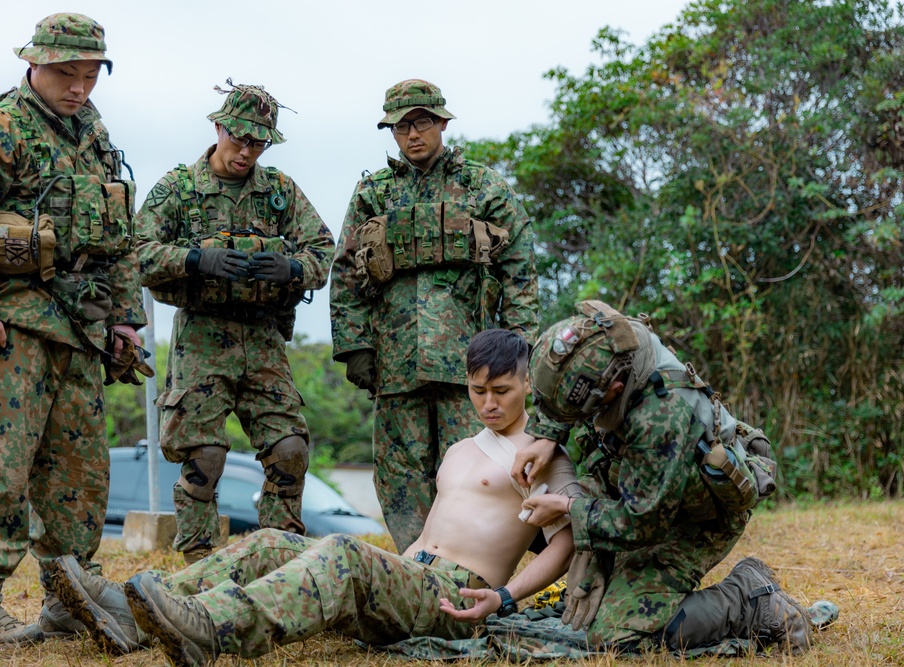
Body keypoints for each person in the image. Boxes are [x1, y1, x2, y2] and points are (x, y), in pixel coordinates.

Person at [46, 329, 580, 665]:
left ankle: (211, 626)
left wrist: (505, 598)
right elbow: (436, 527)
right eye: (477, 390)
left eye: (501, 392)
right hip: (413, 576)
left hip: (459, 596)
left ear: (528, 383)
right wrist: (389, 570)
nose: (488, 403)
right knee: (271, 542)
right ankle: (127, 612)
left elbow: (565, 545)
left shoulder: (540, 456)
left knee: (343, 550)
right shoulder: (462, 448)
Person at [0, 13, 146, 648]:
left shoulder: (96, 137)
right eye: (66, 73)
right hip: (12, 324)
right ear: (35, 64)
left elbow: (119, 235)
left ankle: (68, 597)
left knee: (78, 476)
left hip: (79, 330)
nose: (79, 87)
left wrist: (125, 317)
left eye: (89, 75)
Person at [328, 79, 563, 551]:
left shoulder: (484, 187)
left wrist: (518, 349)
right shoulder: (373, 194)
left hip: (471, 366)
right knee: (401, 475)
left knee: (480, 470)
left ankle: (477, 563)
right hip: (396, 363)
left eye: (422, 123)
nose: (412, 135)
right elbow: (347, 273)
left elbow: (519, 270)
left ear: (442, 123)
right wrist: (355, 346)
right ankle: (418, 574)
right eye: (401, 127)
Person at [515, 300, 814, 654]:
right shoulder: (607, 340)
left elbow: (642, 522)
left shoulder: (660, 419)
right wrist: (546, 435)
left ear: (612, 391)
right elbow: (561, 374)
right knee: (583, 598)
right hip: (643, 491)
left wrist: (568, 507)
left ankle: (748, 599)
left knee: (613, 634)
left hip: (694, 517)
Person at [135, 82, 334, 564]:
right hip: (203, 335)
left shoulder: (279, 192)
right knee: (204, 457)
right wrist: (193, 259)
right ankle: (202, 566)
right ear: (219, 128)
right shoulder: (180, 187)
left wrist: (293, 268)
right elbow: (136, 251)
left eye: (258, 143)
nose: (247, 152)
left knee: (288, 449)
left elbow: (323, 249)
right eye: (239, 139)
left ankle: (276, 557)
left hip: (264, 336)